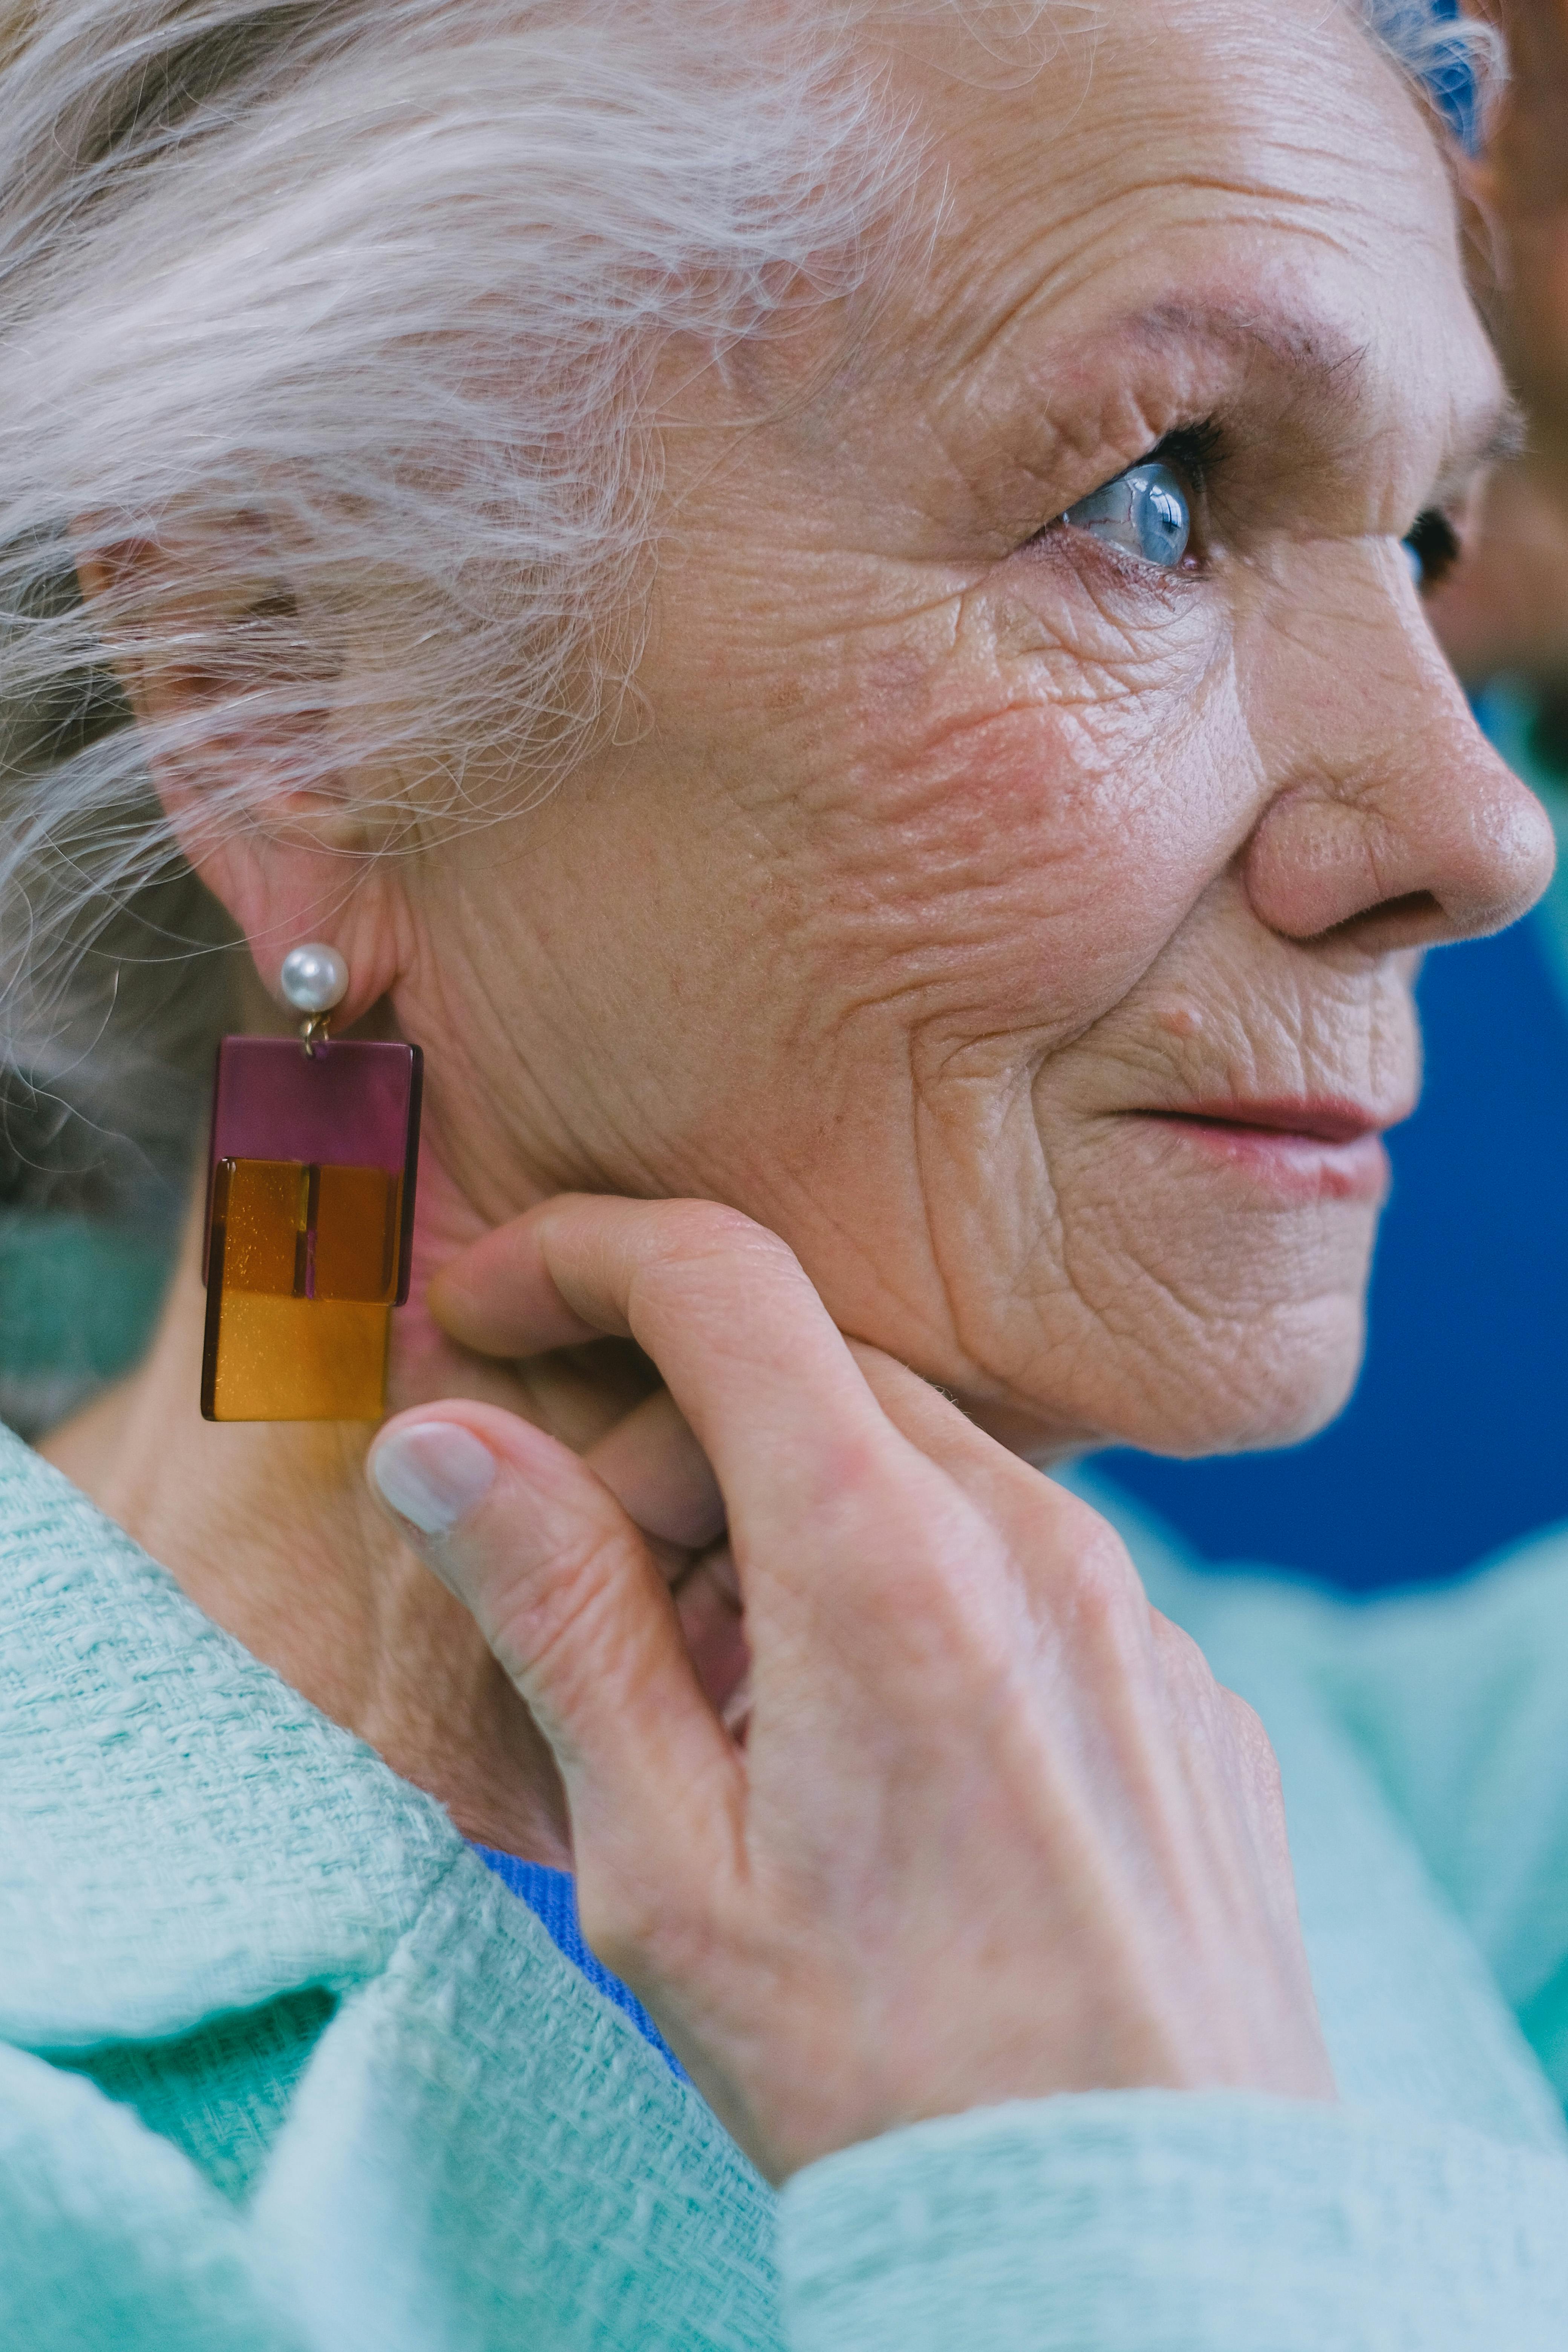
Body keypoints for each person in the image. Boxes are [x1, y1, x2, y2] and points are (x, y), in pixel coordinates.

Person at [2, 0, 1567, 2343]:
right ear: (279, 694)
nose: (1485, 828)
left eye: (1428, 544)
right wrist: (1117, 2201)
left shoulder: (1428, 1825)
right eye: (1154, 499)